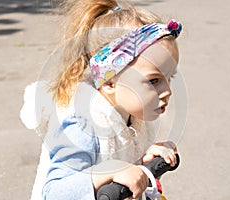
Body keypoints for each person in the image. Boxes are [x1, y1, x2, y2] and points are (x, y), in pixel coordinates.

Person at [20, 0, 183, 199]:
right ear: (109, 82)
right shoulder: (83, 126)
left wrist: (143, 162)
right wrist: (107, 172)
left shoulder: (129, 115)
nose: (168, 91)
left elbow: (118, 161)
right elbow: (53, 192)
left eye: (170, 78)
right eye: (154, 80)